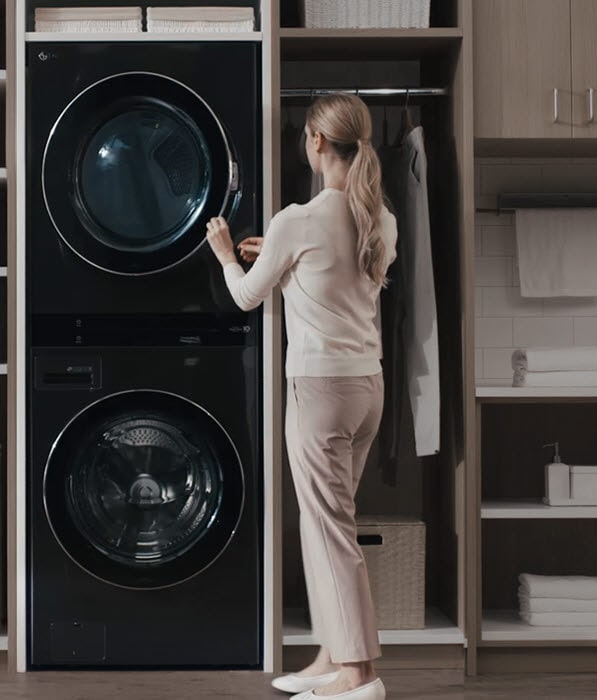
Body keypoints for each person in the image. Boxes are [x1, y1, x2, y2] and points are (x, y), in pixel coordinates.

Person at [206, 93, 396, 700]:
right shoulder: (380, 219)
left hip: (320, 392)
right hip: (368, 388)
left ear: (315, 141)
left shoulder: (297, 220)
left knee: (329, 529)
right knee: (327, 525)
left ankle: (359, 674)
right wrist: (281, 255)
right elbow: (333, 276)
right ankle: (329, 657)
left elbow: (245, 298)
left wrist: (224, 253)